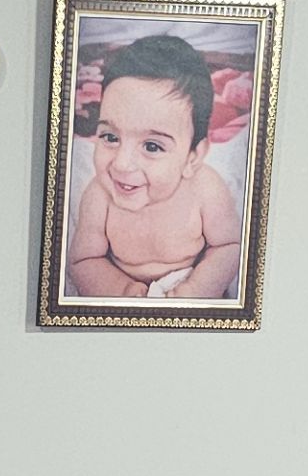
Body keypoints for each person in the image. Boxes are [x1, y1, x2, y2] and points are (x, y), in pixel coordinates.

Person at [64, 30, 250, 301]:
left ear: (192, 158)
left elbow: (228, 246)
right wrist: (123, 292)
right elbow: (84, 261)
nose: (122, 163)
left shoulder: (206, 189)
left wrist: (197, 289)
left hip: (188, 285)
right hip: (123, 292)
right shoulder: (99, 196)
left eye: (152, 146)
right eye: (110, 138)